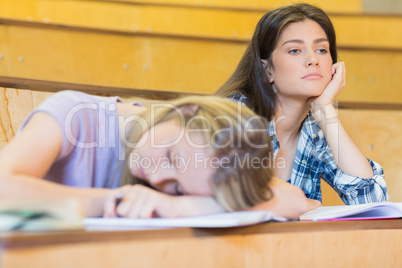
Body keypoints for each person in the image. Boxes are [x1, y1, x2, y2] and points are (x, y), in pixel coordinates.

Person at [0, 90, 318, 219]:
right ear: (184, 112)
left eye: (177, 186)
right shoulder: (77, 116)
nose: (156, 178)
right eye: (170, 158)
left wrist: (176, 205)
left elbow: (293, 200)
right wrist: (114, 201)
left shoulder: (185, 172)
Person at [215, 3, 388, 205]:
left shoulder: (316, 130)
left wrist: (324, 109)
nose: (313, 59)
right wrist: (305, 204)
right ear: (267, 69)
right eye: (295, 50)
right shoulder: (236, 114)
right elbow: (237, 198)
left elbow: (373, 201)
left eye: (322, 49)